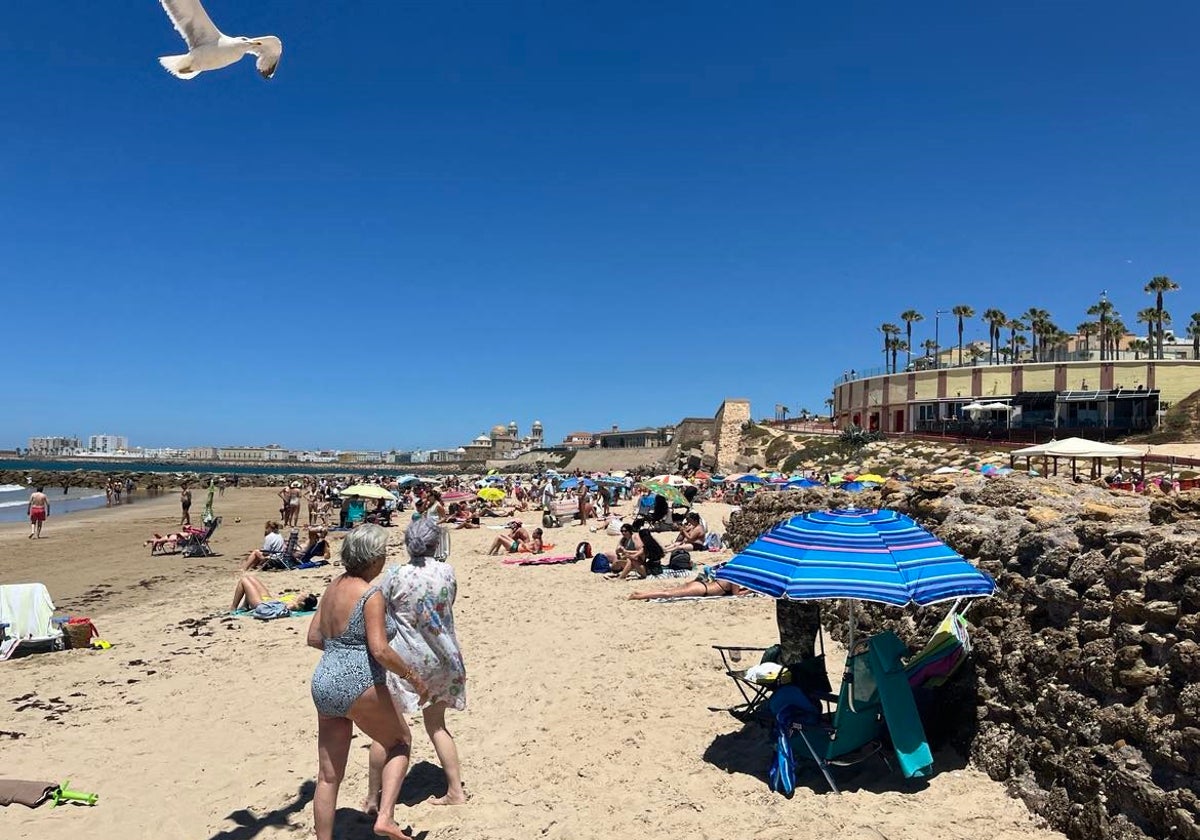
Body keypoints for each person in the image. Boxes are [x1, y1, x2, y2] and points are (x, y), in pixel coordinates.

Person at [307, 524, 429, 840]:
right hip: (358, 680)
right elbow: (380, 649)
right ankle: (385, 817)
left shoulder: (332, 588)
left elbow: (313, 637)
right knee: (399, 741)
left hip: (323, 680)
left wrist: (341, 648)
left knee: (328, 775)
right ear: (373, 559)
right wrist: (412, 677)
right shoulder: (370, 593)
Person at [365, 516, 467, 811]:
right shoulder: (446, 572)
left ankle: (373, 798)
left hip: (407, 658)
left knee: (386, 730)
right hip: (444, 655)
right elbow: (449, 604)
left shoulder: (395, 575)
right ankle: (455, 790)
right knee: (437, 725)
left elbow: (382, 612)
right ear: (435, 543)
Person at [230, 574, 319, 612]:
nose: (301, 594)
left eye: (303, 596)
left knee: (244, 581)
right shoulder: (296, 601)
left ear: (303, 603)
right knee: (251, 578)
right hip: (269, 600)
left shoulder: (295, 605)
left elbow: (283, 609)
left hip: (263, 604)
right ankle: (245, 605)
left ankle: (233, 608)